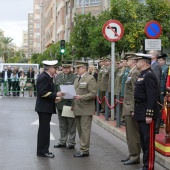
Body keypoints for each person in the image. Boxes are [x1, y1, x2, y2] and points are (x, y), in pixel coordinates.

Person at [134, 53, 159, 170]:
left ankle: (149, 166)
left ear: (143, 63)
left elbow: (152, 96)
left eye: (137, 61)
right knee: (143, 141)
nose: (136, 63)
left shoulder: (149, 75)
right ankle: (145, 164)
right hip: (140, 110)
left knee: (148, 141)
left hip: (146, 112)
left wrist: (149, 114)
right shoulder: (142, 74)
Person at [35, 60, 58, 158]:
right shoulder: (44, 77)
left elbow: (46, 93)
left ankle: (42, 150)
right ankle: (43, 151)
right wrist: (56, 94)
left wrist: (54, 98)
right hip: (44, 108)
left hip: (45, 107)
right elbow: (42, 93)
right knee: (44, 130)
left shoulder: (46, 76)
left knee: (44, 129)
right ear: (50, 68)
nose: (56, 69)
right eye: (55, 68)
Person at [73, 61, 97, 157]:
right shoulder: (77, 79)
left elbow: (93, 94)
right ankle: (83, 147)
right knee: (80, 129)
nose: (76, 70)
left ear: (83, 68)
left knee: (85, 129)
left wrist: (81, 97)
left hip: (86, 108)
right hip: (77, 107)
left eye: (78, 68)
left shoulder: (90, 79)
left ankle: (84, 150)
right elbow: (74, 92)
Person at [121, 53, 141, 165]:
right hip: (127, 106)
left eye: (127, 59)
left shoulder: (135, 73)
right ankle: (132, 153)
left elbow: (135, 92)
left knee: (133, 134)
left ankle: (135, 156)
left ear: (133, 60)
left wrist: (133, 108)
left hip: (131, 107)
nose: (126, 61)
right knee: (129, 134)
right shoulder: (131, 72)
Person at [54, 61, 77, 149]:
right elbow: (55, 89)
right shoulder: (58, 77)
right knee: (62, 124)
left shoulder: (74, 78)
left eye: (67, 68)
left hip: (69, 103)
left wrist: (74, 104)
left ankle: (71, 142)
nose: (66, 70)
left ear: (70, 68)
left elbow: (75, 92)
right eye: (64, 68)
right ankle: (62, 141)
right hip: (60, 104)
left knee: (71, 124)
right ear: (62, 68)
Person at [149, 50, 162, 134]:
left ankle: (156, 128)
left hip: (154, 91)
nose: (148, 54)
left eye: (149, 53)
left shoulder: (156, 66)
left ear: (154, 56)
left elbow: (156, 80)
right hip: (152, 91)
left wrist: (153, 91)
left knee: (156, 109)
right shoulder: (152, 65)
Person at [158, 53, 169, 126]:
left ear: (164, 61)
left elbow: (166, 80)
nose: (159, 61)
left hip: (162, 89)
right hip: (158, 88)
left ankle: (162, 120)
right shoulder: (159, 68)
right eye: (158, 60)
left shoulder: (166, 68)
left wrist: (164, 91)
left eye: (160, 60)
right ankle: (159, 119)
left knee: (162, 104)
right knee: (159, 104)